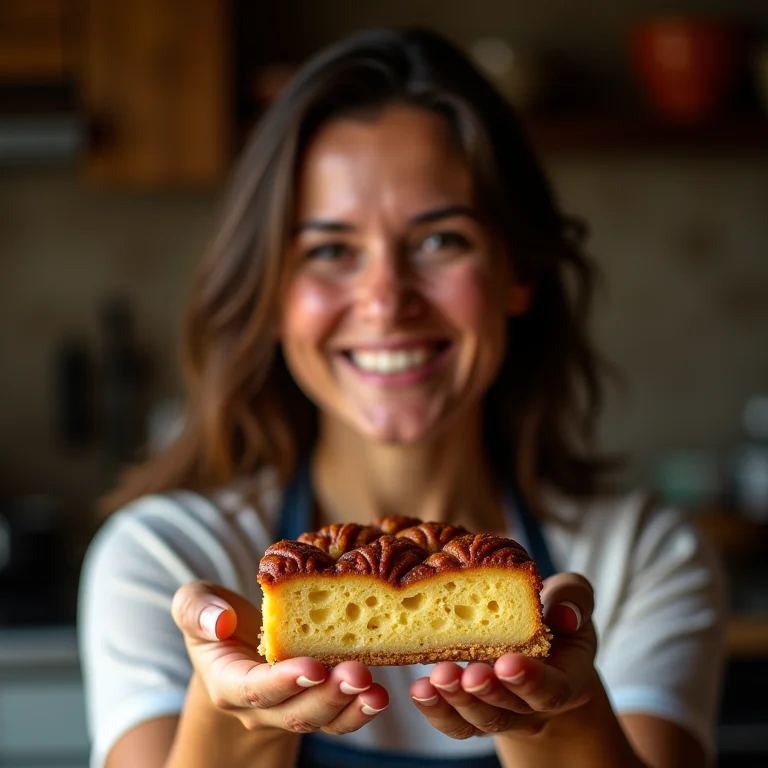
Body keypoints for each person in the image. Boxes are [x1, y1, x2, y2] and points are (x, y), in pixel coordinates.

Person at [77, 27, 726, 768]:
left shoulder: (641, 559)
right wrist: (239, 718)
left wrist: (560, 717)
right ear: (271, 293)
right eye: (329, 250)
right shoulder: (165, 559)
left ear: (518, 271)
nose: (386, 301)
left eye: (440, 240)